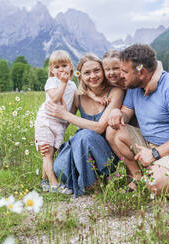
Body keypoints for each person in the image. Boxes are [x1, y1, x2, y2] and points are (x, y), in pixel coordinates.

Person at [106, 44, 169, 197]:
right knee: (113, 130)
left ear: (141, 72)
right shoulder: (134, 87)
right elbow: (126, 115)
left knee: (154, 183)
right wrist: (117, 112)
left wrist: (155, 153)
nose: (120, 75)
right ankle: (138, 177)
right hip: (148, 145)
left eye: (124, 71)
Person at [44, 54, 124, 197]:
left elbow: (100, 128)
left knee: (84, 135)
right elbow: (62, 124)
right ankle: (78, 179)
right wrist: (47, 142)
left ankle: (91, 184)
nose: (93, 76)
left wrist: (65, 114)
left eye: (96, 71)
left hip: (103, 153)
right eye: (87, 73)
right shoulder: (78, 96)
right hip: (80, 148)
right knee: (59, 169)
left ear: (103, 71)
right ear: (80, 76)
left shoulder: (115, 92)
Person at [34, 50, 76, 194]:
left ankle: (44, 180)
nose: (61, 69)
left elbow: (76, 101)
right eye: (56, 67)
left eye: (64, 65)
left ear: (70, 66)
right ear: (51, 70)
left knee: (52, 152)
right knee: (48, 152)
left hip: (60, 124)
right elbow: (54, 98)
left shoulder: (73, 86)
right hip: (45, 120)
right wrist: (63, 83)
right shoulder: (51, 82)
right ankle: (54, 185)